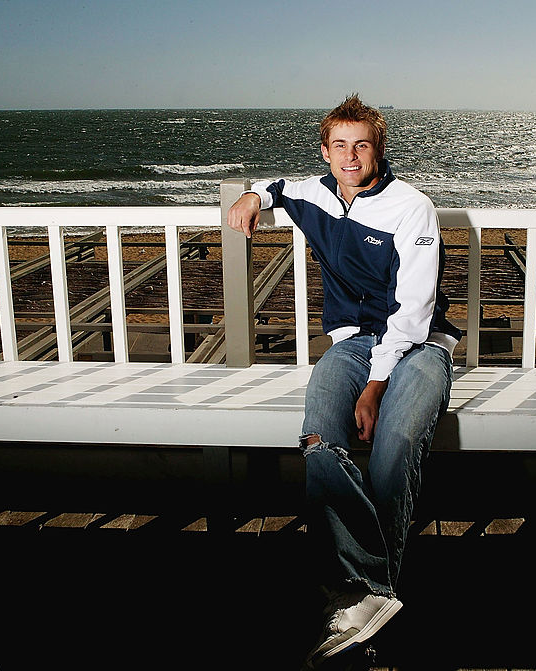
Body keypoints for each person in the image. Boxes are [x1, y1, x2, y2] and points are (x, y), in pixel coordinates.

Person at [226, 94, 460, 667]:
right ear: (325, 151)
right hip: (352, 344)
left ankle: (356, 600)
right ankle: (370, 598)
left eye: (361, 145)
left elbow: (414, 310)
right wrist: (252, 196)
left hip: (420, 345)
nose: (350, 156)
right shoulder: (317, 193)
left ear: (379, 149)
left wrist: (376, 385)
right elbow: (280, 186)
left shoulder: (412, 207)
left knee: (395, 448)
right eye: (339, 146)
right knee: (319, 441)